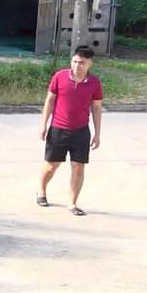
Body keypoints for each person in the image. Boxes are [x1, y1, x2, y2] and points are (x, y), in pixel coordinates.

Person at [38, 46, 103, 216]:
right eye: (74, 61)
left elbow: (96, 108)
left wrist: (97, 133)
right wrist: (43, 125)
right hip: (58, 129)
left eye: (81, 63)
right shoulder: (60, 76)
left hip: (81, 131)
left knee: (78, 168)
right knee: (52, 165)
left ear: (90, 64)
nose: (77, 65)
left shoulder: (95, 83)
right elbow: (50, 101)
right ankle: (41, 190)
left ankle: (73, 203)